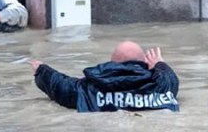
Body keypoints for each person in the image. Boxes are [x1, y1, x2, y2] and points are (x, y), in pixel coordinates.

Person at [30, 41, 180, 112]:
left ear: (111, 64)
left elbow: (63, 88)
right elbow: (172, 82)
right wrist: (161, 66)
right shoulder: (160, 85)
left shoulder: (90, 87)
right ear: (145, 64)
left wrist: (42, 71)